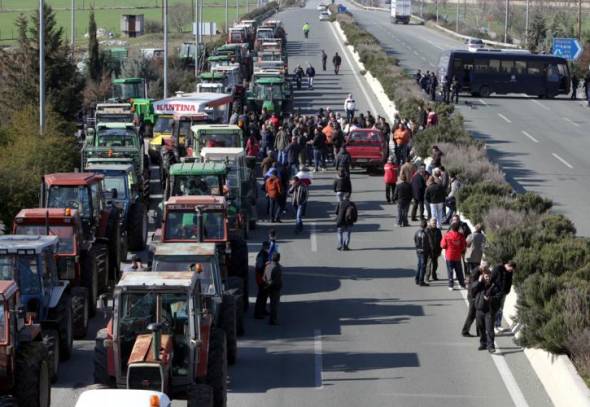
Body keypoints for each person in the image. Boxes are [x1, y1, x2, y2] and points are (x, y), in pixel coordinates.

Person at [472, 267, 503, 352]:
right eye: (486, 276)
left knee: (489, 329)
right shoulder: (479, 284)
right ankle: (483, 344)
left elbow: (498, 296)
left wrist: (490, 299)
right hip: (479, 310)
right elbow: (472, 291)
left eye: (489, 276)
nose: (488, 278)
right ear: (482, 276)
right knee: (480, 328)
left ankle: (491, 346)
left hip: (489, 311)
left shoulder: (495, 286)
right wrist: (478, 281)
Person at [441, 222, 467, 290]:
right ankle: (462, 284)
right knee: (459, 271)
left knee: (450, 271)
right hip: (457, 256)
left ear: (451, 228)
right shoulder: (461, 236)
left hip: (449, 256)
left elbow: (443, 245)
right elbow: (463, 246)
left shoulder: (447, 235)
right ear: (458, 228)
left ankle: (451, 285)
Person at [461, 263, 484, 337]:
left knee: (476, 314)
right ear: (482, 266)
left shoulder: (478, 271)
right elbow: (473, 287)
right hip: (473, 297)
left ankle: (479, 332)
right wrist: (479, 281)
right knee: (472, 315)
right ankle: (465, 331)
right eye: (485, 268)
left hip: (474, 296)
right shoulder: (475, 273)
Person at [492, 261, 515, 334]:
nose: (511, 271)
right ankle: (493, 326)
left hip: (503, 293)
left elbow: (510, 281)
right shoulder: (498, 269)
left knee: (500, 309)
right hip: (496, 293)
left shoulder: (510, 272)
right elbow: (492, 279)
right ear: (508, 265)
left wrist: (507, 291)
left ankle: (498, 324)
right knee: (494, 309)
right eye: (510, 269)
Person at [263, 252, 283, 325]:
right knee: (274, 305)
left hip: (268, 287)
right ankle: (273, 320)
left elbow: (264, 277)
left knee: (271, 304)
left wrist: (267, 284)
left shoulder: (267, 266)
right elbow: (277, 280)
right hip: (275, 288)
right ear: (278, 259)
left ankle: (272, 319)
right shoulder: (277, 268)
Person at [254, 241, 270, 319]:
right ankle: (257, 313)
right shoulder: (261, 255)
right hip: (261, 278)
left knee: (265, 295)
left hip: (264, 278)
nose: (268, 248)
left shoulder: (265, 254)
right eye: (267, 246)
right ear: (264, 246)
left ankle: (263, 310)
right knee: (261, 296)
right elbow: (259, 267)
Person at [414, 220, 430, 286]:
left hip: (418, 251)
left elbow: (415, 240)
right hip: (424, 252)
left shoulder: (417, 232)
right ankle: (421, 281)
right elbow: (426, 244)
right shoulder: (425, 234)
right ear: (426, 226)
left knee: (419, 265)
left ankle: (417, 279)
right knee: (423, 266)